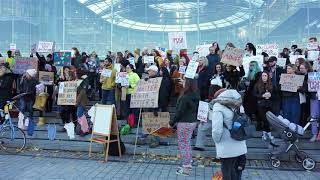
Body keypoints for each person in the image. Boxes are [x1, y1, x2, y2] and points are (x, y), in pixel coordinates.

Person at [210, 86, 247, 180]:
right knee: (233, 170)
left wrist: (216, 140)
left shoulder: (218, 106)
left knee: (226, 170)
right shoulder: (239, 105)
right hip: (239, 141)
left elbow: (217, 129)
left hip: (226, 144)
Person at [169, 78, 200, 176]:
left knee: (183, 144)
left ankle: (186, 167)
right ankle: (188, 163)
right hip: (192, 122)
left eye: (184, 81)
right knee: (187, 143)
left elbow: (179, 112)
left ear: (188, 84)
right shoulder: (196, 94)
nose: (182, 82)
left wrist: (171, 123)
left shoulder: (185, 97)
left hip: (184, 122)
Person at [254, 71, 274, 140]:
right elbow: (254, 94)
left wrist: (270, 95)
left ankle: (264, 134)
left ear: (268, 76)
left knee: (268, 119)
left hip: (269, 104)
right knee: (264, 119)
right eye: (263, 76)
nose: (264, 77)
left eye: (265, 75)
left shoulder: (271, 84)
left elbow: (275, 94)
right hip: (261, 104)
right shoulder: (257, 85)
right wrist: (262, 95)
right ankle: (269, 133)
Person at [20, 69, 39, 136]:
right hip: (23, 96)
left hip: (30, 97)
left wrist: (31, 92)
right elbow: (21, 87)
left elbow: (38, 87)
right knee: (22, 108)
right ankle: (21, 120)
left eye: (27, 73)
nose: (26, 74)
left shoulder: (35, 81)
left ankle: (30, 120)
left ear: (30, 74)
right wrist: (22, 92)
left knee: (30, 109)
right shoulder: (23, 78)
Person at [298, 62, 312, 126]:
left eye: (302, 68)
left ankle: (307, 126)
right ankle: (302, 125)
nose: (300, 69)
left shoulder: (311, 76)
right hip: (302, 97)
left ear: (307, 69)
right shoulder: (299, 75)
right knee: (301, 112)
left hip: (309, 97)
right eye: (300, 68)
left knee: (308, 112)